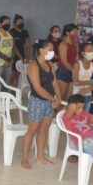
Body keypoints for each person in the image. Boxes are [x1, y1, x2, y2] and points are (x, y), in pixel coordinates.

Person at [22, 39, 62, 169]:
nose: (52, 52)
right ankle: (24, 158)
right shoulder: (33, 65)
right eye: (49, 49)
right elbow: (38, 88)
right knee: (32, 130)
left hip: (49, 102)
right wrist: (53, 99)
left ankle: (40, 156)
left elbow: (55, 83)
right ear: (41, 50)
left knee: (44, 130)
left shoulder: (49, 64)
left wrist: (59, 98)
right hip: (38, 102)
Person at [57, 24, 80, 99]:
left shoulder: (75, 44)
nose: (76, 34)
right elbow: (64, 62)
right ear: (67, 33)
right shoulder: (63, 44)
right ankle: (58, 111)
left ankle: (65, 110)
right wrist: (74, 71)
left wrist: (77, 70)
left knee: (69, 97)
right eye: (75, 32)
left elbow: (76, 59)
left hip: (72, 71)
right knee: (61, 96)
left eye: (77, 32)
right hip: (64, 72)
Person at [0, 15, 15, 83]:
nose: (8, 24)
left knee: (6, 83)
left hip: (8, 62)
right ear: (0, 24)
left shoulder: (10, 34)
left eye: (9, 22)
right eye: (5, 22)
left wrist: (11, 59)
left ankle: (6, 94)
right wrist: (7, 59)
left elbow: (13, 48)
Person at [10, 14, 31, 86]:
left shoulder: (25, 32)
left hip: (22, 54)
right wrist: (20, 57)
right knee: (13, 75)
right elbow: (13, 46)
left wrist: (27, 57)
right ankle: (11, 92)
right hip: (13, 55)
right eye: (19, 22)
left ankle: (16, 93)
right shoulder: (12, 31)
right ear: (14, 23)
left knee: (19, 75)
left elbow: (28, 45)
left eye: (22, 22)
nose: (21, 24)